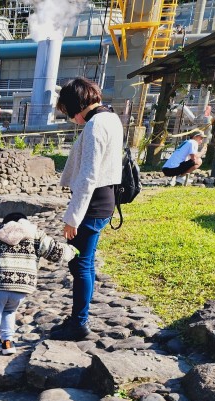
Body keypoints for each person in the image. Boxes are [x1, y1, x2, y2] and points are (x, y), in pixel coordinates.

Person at [51, 77, 124, 342]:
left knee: (80, 264)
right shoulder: (111, 118)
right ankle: (78, 318)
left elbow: (88, 176)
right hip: (104, 200)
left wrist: (73, 217)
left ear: (75, 104)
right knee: (86, 263)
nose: (70, 117)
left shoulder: (95, 125)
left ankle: (79, 323)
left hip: (92, 204)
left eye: (67, 111)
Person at [0, 213, 78, 368]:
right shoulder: (36, 235)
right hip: (22, 286)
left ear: (5, 223)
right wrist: (72, 251)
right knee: (9, 311)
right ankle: (7, 343)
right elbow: (55, 251)